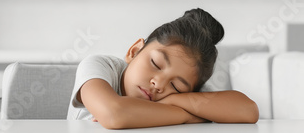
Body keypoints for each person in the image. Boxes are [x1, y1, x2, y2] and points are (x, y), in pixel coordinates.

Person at [66, 8, 259, 129]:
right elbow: (114, 114)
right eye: (156, 64)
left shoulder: (181, 98)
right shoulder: (100, 66)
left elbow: (248, 111)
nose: (158, 84)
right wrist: (186, 115)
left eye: (176, 86)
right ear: (134, 51)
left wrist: (175, 99)